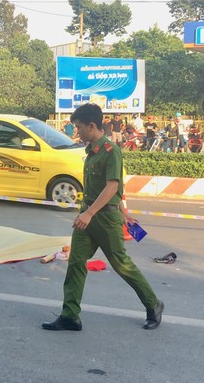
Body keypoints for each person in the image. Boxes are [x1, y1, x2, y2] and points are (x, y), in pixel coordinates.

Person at [42, 103, 163, 332]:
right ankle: (70, 315)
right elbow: (105, 188)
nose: (77, 132)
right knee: (76, 262)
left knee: (122, 265)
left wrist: (93, 213)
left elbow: (112, 187)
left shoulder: (110, 151)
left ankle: (153, 305)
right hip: (87, 217)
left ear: (91, 125)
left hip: (104, 220)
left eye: (79, 127)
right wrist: (105, 211)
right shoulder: (91, 151)